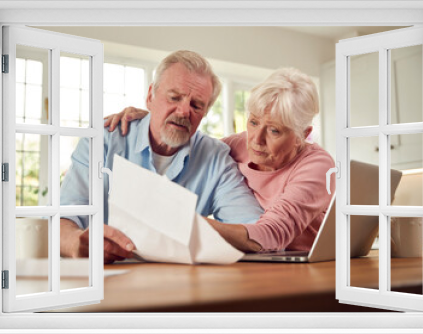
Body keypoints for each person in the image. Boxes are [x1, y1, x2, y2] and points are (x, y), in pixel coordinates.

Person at [60, 50, 264, 263]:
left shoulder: (216, 159)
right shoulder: (104, 140)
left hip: (178, 283)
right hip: (106, 276)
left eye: (196, 105)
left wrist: (184, 224)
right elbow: (63, 219)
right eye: (174, 97)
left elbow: (255, 232)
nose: (184, 111)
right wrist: (76, 243)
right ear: (150, 96)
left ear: (204, 113)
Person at [105, 68, 336, 253]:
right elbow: (191, 143)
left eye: (274, 131)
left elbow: (274, 233)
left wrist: (186, 221)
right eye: (254, 122)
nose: (256, 140)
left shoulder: (317, 166)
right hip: (256, 256)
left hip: (309, 261)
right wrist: (156, 119)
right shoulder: (236, 145)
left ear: (302, 135)